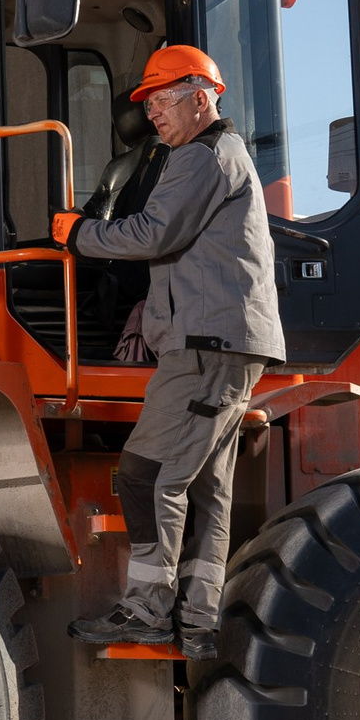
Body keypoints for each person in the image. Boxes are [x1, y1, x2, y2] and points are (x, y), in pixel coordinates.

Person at [50, 44, 283, 659]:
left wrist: (77, 233)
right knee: (206, 488)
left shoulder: (202, 157)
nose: (151, 111)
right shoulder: (215, 156)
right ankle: (200, 623)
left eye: (161, 98)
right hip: (223, 344)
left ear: (201, 96)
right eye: (147, 101)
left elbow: (153, 233)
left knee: (147, 474)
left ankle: (148, 610)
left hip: (207, 347)